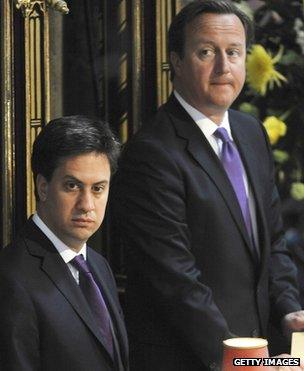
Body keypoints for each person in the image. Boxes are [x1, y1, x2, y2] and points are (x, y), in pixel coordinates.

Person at [111, 1, 304, 370]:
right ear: (177, 63)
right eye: (206, 52)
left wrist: (288, 310)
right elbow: (174, 280)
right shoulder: (151, 154)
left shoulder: (251, 133)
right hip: (190, 358)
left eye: (233, 52)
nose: (223, 67)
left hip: (256, 351)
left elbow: (273, 242)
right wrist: (238, 357)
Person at [0, 116, 129, 371]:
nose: (87, 205)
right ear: (43, 187)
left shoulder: (98, 265)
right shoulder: (11, 278)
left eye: (98, 189)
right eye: (72, 186)